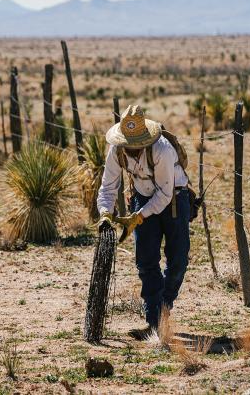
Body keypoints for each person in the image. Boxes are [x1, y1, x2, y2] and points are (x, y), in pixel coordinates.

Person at [97, 104, 190, 337]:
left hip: (174, 201)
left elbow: (164, 195)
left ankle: (164, 307)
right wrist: (105, 214)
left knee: (178, 261)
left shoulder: (162, 150)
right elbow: (108, 187)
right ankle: (154, 322)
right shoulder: (116, 150)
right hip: (141, 196)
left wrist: (137, 217)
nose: (133, 148)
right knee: (146, 262)